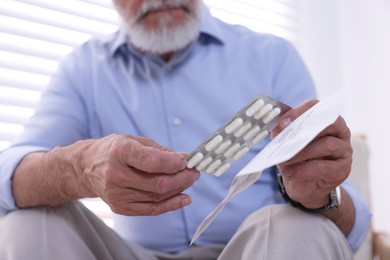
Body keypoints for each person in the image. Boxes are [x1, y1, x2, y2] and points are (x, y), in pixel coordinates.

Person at [0, 0, 371, 259]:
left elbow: (352, 227)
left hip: (261, 249)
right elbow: (8, 177)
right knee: (31, 220)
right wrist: (77, 167)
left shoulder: (272, 56)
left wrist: (321, 193)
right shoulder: (84, 70)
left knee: (296, 225)